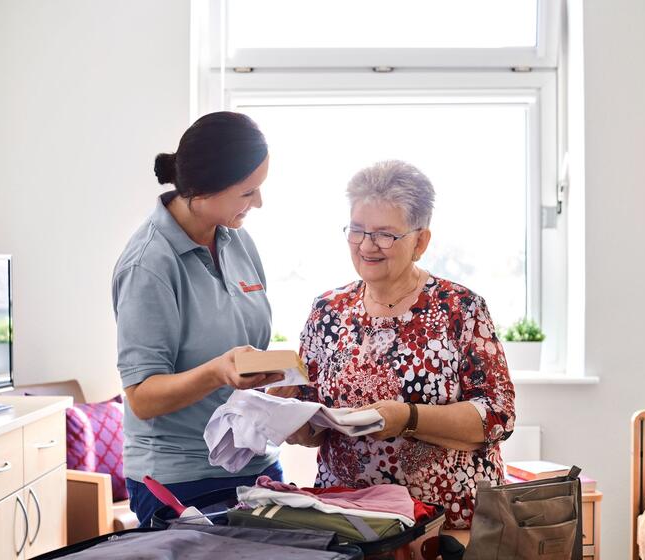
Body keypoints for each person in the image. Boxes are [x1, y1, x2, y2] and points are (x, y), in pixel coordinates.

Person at [276, 160, 515, 530]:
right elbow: (312, 429)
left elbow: (498, 416)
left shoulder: (460, 308)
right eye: (357, 230)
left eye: (385, 234)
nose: (367, 245)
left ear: (420, 241)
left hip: (446, 524)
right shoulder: (328, 310)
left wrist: (408, 418)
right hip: (350, 521)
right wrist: (287, 417)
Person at [113, 111, 285, 526]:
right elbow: (141, 395)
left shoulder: (237, 239)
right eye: (248, 192)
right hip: (183, 480)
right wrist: (217, 372)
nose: (258, 203)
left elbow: (249, 346)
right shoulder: (148, 265)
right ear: (205, 190)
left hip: (255, 467)